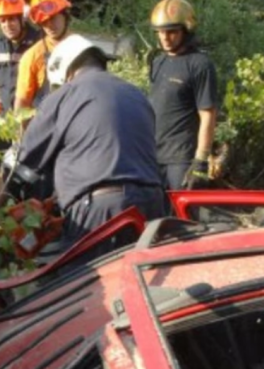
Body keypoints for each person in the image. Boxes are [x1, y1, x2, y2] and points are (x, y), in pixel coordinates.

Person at [11, 35, 167, 254]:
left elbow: (23, 160)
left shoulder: (65, 95)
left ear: (64, 70)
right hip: (153, 205)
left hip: (102, 211)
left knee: (90, 275)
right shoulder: (137, 94)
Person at [148, 0, 219, 190]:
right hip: (154, 157)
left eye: (172, 31)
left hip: (182, 161)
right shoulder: (157, 62)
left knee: (182, 210)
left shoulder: (200, 65)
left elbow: (208, 115)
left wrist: (200, 160)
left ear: (186, 30)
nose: (165, 37)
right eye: (160, 32)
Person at [13, 0, 73, 113]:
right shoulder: (32, 56)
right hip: (45, 122)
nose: (49, 25)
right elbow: (22, 103)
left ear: (65, 15)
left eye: (53, 18)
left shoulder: (84, 49)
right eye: (44, 21)